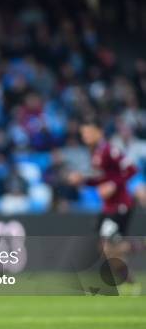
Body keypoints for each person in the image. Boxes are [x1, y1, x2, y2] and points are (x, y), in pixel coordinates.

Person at [68, 119, 140, 295]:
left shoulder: (109, 149)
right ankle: (129, 283)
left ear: (99, 132)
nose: (85, 136)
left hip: (120, 205)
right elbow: (102, 180)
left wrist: (113, 185)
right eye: (83, 133)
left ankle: (139, 247)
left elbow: (131, 169)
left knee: (109, 246)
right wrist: (83, 180)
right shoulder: (96, 153)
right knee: (106, 249)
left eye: (89, 132)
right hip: (108, 207)